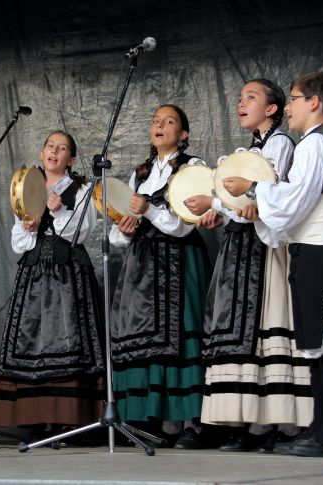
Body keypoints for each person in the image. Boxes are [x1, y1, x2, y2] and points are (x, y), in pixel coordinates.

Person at [223, 71, 323, 458]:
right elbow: (292, 204)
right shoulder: (312, 143)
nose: (289, 107)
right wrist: (263, 208)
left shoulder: (315, 144)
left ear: (314, 102)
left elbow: (296, 198)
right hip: (313, 245)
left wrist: (251, 188)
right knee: (316, 339)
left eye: (295, 98)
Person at [186, 79, 311, 453]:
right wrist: (216, 211)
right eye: (240, 98)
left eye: (251, 98)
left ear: (272, 109)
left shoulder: (280, 144)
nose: (241, 103)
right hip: (241, 246)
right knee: (241, 329)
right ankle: (246, 417)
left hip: (267, 247)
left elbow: (272, 193)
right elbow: (238, 204)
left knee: (265, 326)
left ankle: (271, 421)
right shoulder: (246, 151)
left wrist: (228, 203)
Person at [109, 105, 211, 448]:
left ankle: (193, 421)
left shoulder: (193, 167)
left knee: (182, 334)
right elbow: (119, 233)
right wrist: (125, 228)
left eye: (169, 122)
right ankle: (162, 420)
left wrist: (148, 210)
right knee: (148, 338)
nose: (160, 126)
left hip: (179, 260)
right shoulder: (140, 173)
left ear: (183, 133)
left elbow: (183, 226)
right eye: (155, 121)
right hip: (143, 263)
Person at [0, 130, 104, 439]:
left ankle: (70, 420)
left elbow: (80, 233)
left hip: (69, 273)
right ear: (42, 153)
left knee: (68, 339)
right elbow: (18, 242)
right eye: (50, 146)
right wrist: (30, 226)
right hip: (33, 273)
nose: (54, 151)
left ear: (71, 159)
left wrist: (57, 211)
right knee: (31, 339)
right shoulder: (27, 185)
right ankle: (33, 418)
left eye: (63, 148)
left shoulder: (81, 190)